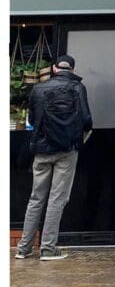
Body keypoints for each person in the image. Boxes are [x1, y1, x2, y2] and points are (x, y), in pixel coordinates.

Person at [14, 54, 93, 261]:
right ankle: (48, 248)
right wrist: (78, 138)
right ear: (72, 69)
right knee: (57, 198)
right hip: (67, 151)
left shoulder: (38, 89)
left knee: (35, 198)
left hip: (41, 150)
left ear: (54, 68)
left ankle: (23, 248)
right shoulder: (77, 88)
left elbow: (31, 119)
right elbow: (87, 120)